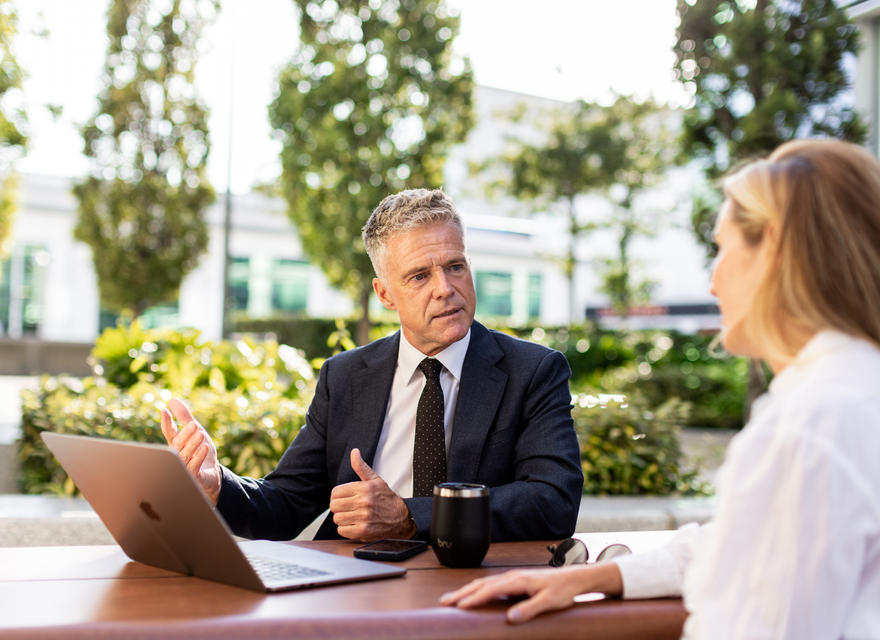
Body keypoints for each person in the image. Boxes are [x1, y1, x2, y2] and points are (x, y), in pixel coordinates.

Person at [441, 139, 880, 638]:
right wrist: (598, 576)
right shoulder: (849, 394)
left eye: (721, 248)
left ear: (774, 249)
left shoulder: (812, 426)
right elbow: (739, 543)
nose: (712, 282)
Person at [161, 188, 583, 542]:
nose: (445, 289)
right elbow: (287, 504)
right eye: (420, 276)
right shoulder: (344, 376)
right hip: (353, 581)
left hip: (468, 583)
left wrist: (409, 515)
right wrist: (218, 485)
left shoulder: (534, 371)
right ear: (385, 295)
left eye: (455, 266)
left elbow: (553, 501)